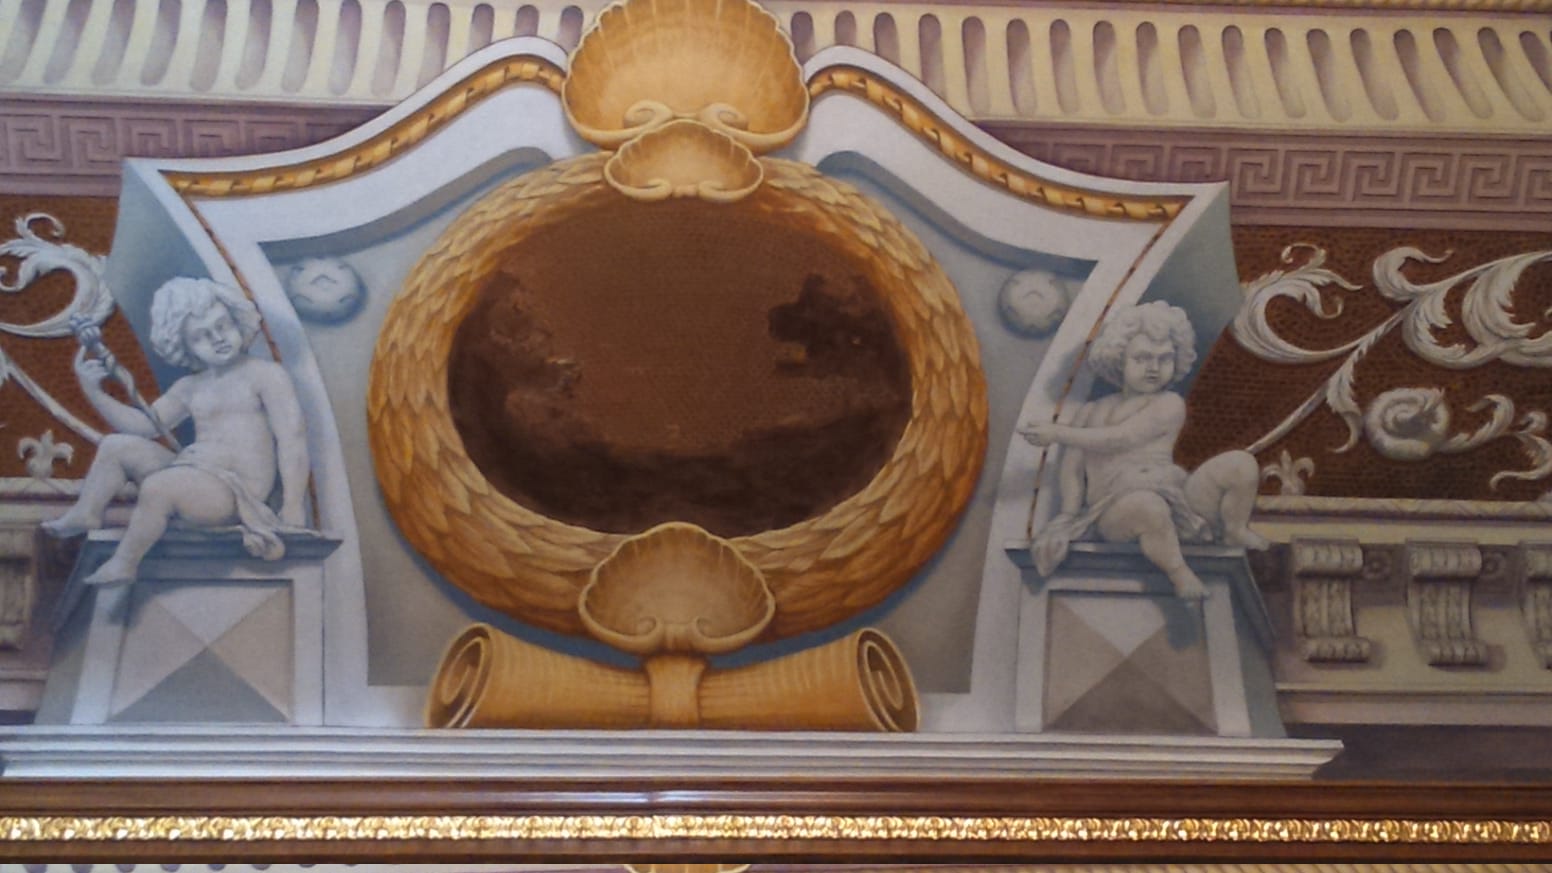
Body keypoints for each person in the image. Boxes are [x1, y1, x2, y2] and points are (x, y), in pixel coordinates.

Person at [42, 277, 310, 585]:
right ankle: (87, 512)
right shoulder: (190, 386)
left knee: (160, 486)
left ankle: (126, 563)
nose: (218, 338)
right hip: (194, 473)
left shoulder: (265, 375)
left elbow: (292, 438)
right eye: (201, 336)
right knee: (117, 445)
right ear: (184, 346)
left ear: (237, 320)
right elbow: (141, 425)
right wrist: (94, 391)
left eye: (222, 326)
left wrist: (292, 504)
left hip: (236, 494)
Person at [1019, 301, 1267, 599]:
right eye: (1143, 358)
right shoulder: (1090, 412)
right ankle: (1179, 572)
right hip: (1115, 509)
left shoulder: (1169, 404)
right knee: (1148, 507)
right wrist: (1068, 514)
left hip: (1179, 498)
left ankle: (1234, 529)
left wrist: (1058, 433)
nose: (1154, 368)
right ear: (1119, 359)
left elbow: (1121, 438)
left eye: (1165, 358)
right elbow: (1072, 469)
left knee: (1240, 463)